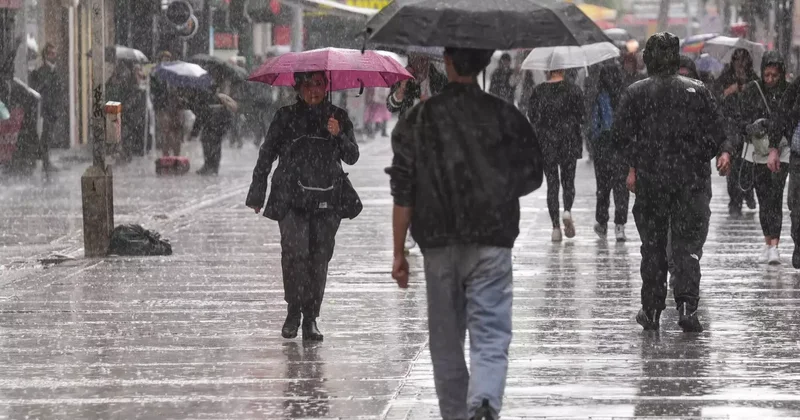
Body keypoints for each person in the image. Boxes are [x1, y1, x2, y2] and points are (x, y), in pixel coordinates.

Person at [389, 46, 543, 420]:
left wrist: (399, 252)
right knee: (491, 330)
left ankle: (457, 414)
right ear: (485, 64)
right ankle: (485, 401)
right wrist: (496, 189)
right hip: (491, 239)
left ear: (448, 62)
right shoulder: (505, 116)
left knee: (445, 339)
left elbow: (403, 189)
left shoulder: (420, 119)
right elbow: (532, 174)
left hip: (438, 242)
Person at [612, 32, 733, 333]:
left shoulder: (636, 93)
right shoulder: (698, 91)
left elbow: (619, 139)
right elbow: (719, 131)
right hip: (689, 181)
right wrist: (718, 153)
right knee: (686, 247)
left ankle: (652, 309)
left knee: (653, 248)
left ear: (651, 59)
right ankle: (687, 306)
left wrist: (632, 168)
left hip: (652, 181)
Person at [246, 72, 360, 342]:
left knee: (319, 258)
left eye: (319, 85)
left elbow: (352, 156)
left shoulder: (338, 116)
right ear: (297, 87)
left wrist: (339, 134)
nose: (314, 91)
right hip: (291, 196)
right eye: (308, 85)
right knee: (295, 253)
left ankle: (311, 318)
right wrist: (257, 192)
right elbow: (267, 152)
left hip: (328, 198)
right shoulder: (285, 117)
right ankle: (293, 311)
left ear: (327, 86)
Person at [732, 51, 789, 264]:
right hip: (757, 153)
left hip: (781, 152)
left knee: (775, 196)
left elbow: (790, 119)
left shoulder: (788, 92)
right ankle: (768, 241)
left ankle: (775, 244)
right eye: (767, 75)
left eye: (775, 76)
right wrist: (751, 126)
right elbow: (740, 120)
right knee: (764, 198)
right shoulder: (752, 91)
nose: (771, 80)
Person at [528, 68, 585, 242]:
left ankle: (555, 228)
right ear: (564, 69)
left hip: (547, 143)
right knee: (568, 181)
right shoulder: (574, 90)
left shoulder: (539, 91)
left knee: (552, 185)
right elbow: (582, 115)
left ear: (548, 70)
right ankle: (567, 210)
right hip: (569, 141)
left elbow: (532, 116)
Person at [718, 48, 759, 216]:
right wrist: (729, 91)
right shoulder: (725, 77)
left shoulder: (754, 80)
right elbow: (715, 98)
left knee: (749, 166)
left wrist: (746, 89)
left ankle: (748, 192)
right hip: (730, 127)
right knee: (732, 169)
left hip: (749, 128)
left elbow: (759, 101)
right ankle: (734, 202)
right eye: (737, 60)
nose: (740, 64)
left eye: (743, 61)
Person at [591, 62, 629, 242]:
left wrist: (596, 141)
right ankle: (620, 226)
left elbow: (594, 126)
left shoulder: (599, 97)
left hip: (603, 148)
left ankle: (602, 223)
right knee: (621, 188)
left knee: (603, 188)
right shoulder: (626, 96)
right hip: (621, 147)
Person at [28, 43, 65, 170]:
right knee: (45, 136)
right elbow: (42, 90)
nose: (55, 56)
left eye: (55, 53)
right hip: (46, 110)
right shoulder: (43, 71)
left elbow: (58, 89)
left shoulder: (54, 70)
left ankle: (46, 161)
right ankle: (45, 162)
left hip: (52, 109)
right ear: (46, 55)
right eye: (52, 53)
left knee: (48, 136)